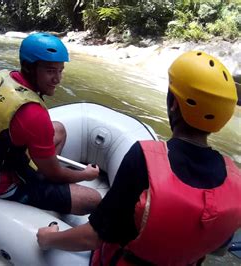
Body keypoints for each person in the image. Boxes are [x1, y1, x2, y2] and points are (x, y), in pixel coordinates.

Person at [36, 51, 241, 265]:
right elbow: (218, 249)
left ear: (173, 104)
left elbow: (93, 237)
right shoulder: (236, 182)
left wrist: (48, 238)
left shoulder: (144, 159)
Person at [0, 32, 101, 215]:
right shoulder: (33, 115)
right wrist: (85, 175)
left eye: (60, 70)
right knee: (93, 200)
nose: (57, 79)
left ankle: (39, 176)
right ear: (29, 68)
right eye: (50, 71)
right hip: (1, 184)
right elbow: (55, 174)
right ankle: (34, 187)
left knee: (58, 129)